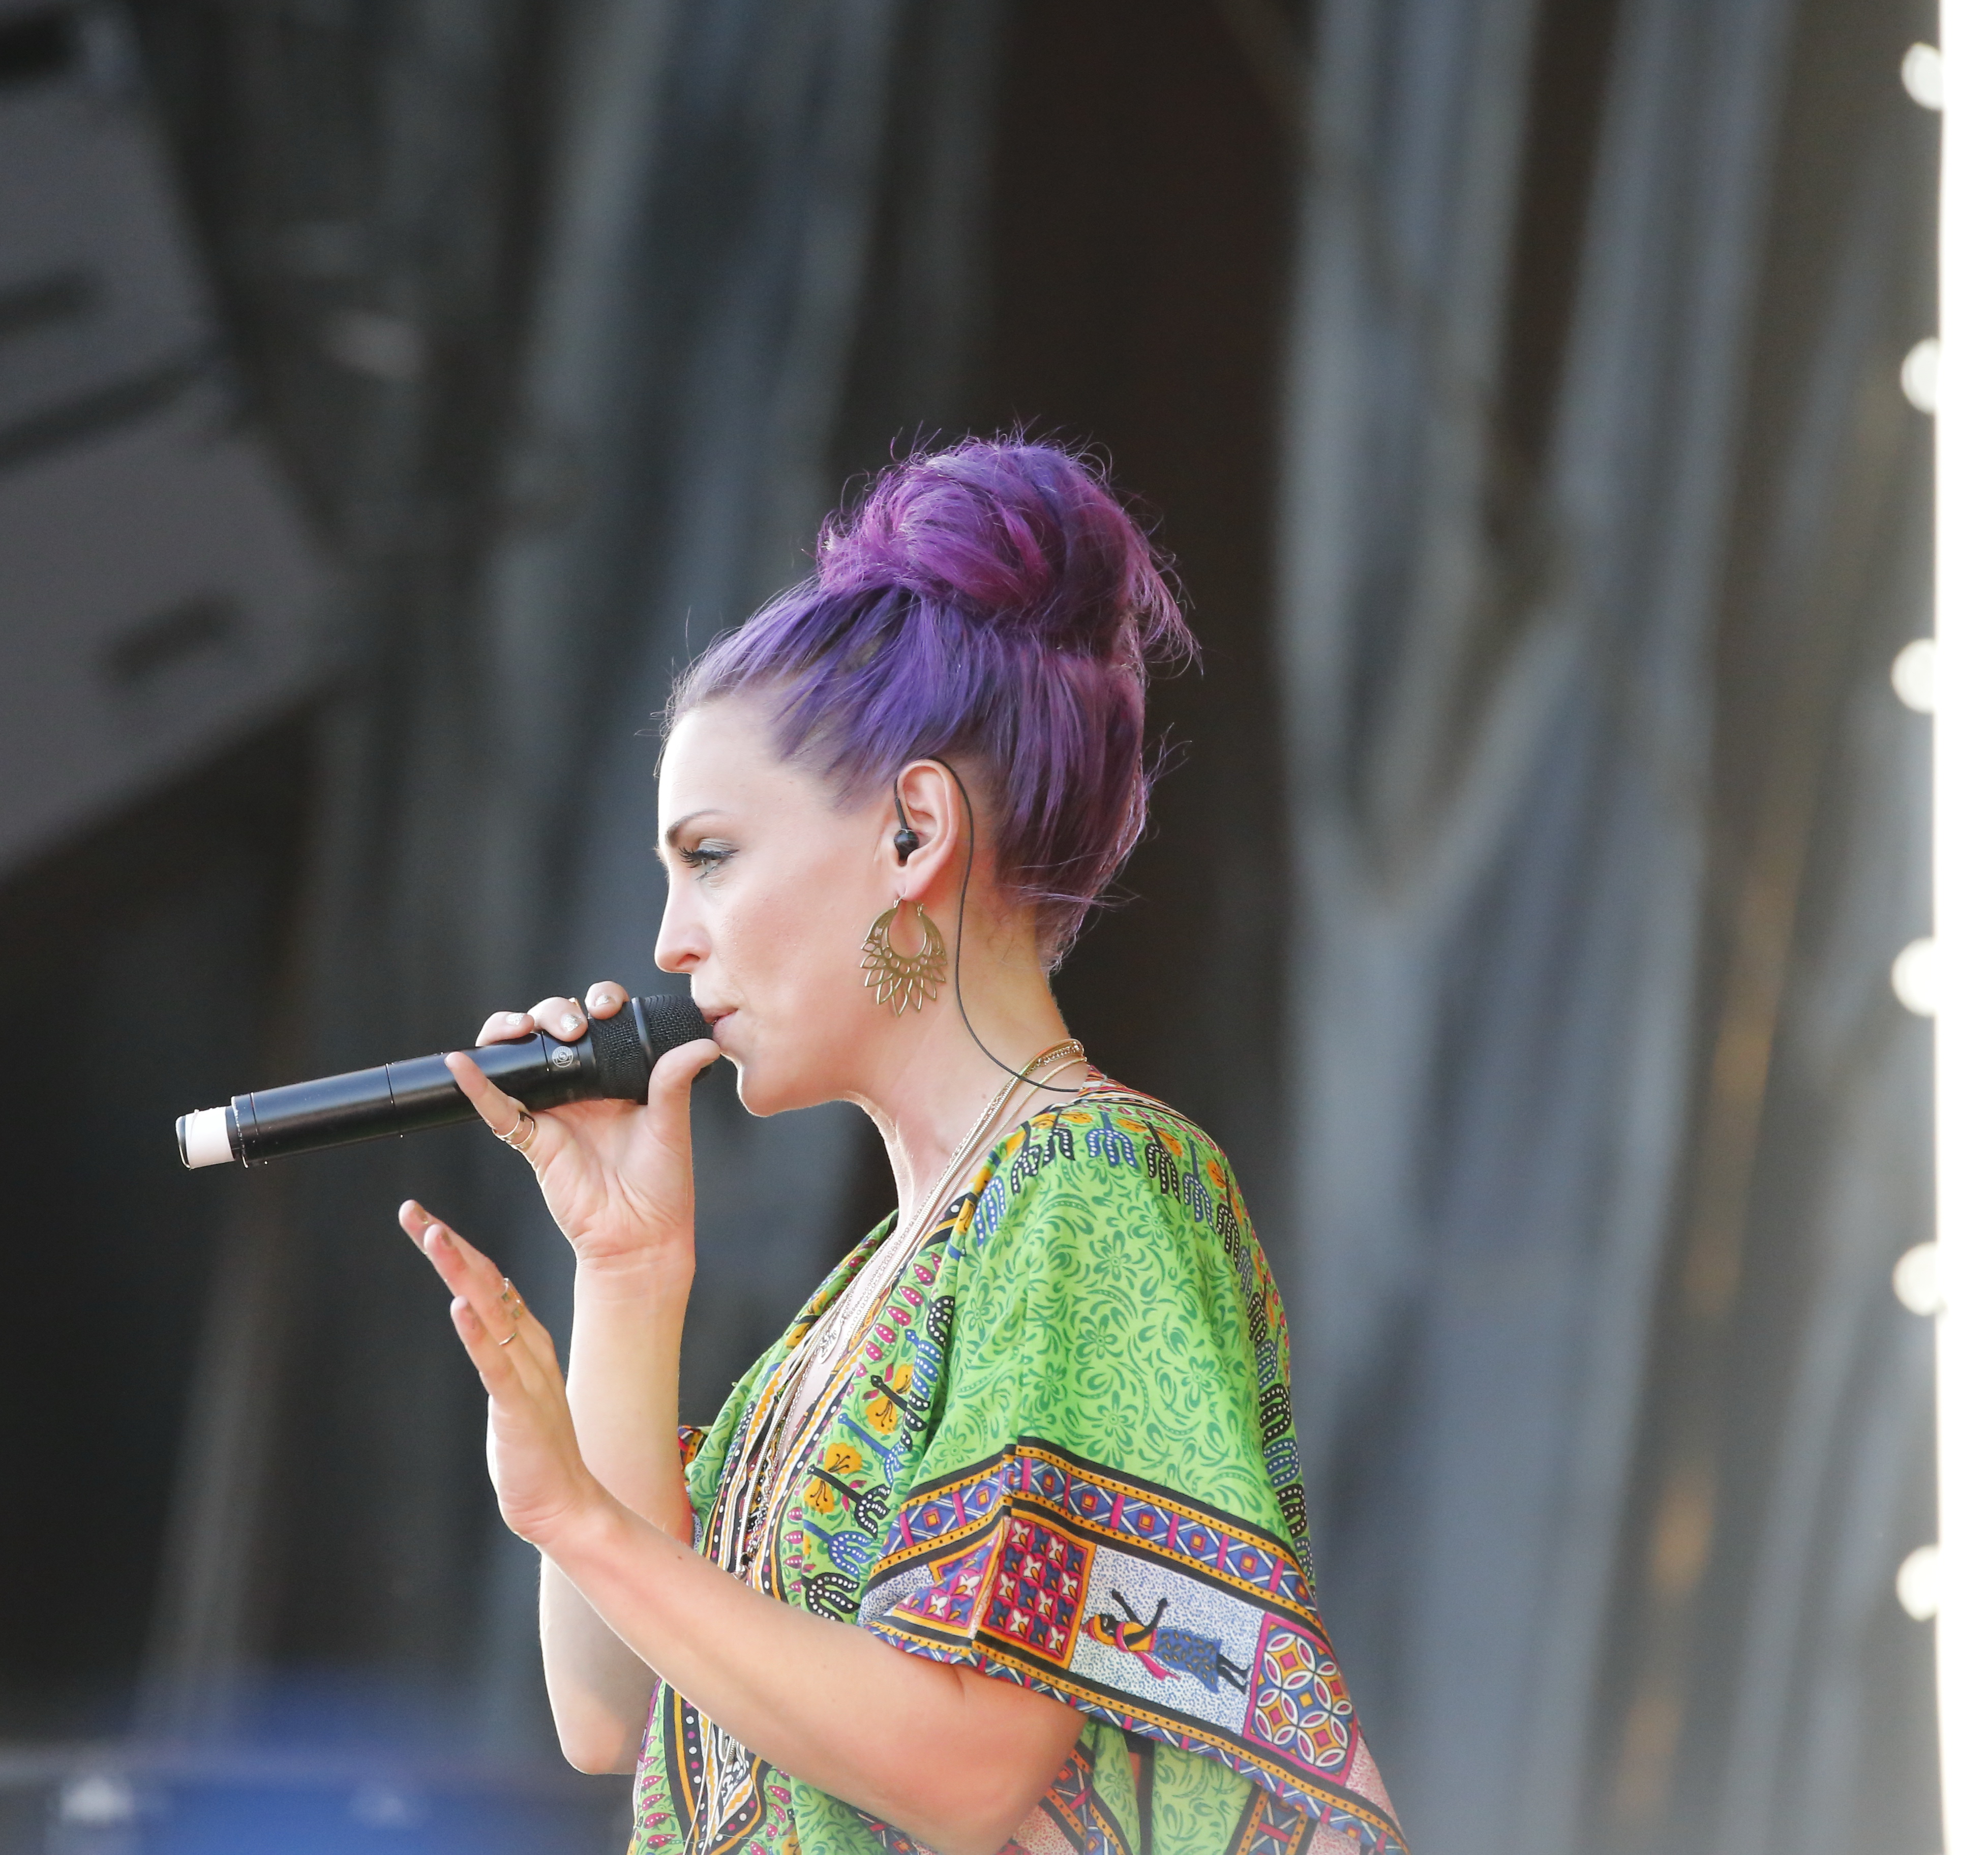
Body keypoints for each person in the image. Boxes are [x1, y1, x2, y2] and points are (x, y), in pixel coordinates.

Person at [396, 438, 1403, 1855]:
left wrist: (583, 1518)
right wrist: (626, 1274)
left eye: (711, 856)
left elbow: (969, 1766)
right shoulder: (884, 1282)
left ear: (914, 832)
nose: (671, 942)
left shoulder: (1090, 1188)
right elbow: (607, 1709)